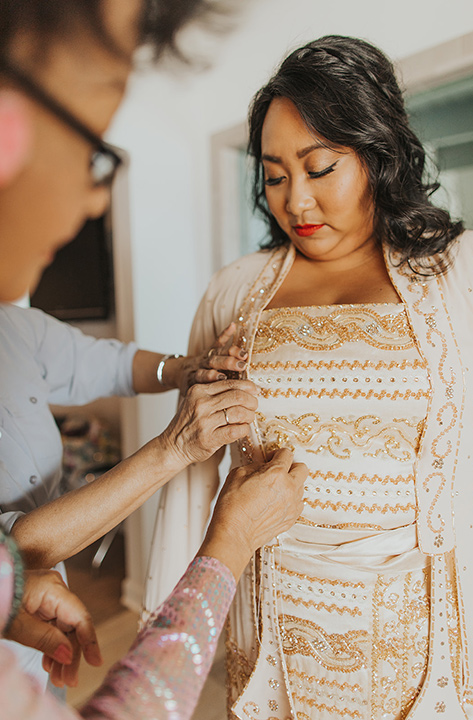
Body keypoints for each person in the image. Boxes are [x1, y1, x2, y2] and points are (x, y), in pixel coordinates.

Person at [145, 35, 473, 720]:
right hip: (275, 622)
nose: (296, 200)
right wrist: (165, 641)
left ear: (378, 155)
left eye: (321, 166)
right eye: (273, 175)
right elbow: (190, 469)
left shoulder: (461, 273)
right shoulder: (234, 292)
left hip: (432, 635)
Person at [0, 0, 308, 716]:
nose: (95, 203)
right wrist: (226, 543)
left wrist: (186, 369)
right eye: (93, 152)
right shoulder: (236, 285)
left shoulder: (16, 332)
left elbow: (106, 361)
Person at [0, 302, 246, 688]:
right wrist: (174, 447)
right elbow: (14, 551)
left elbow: (115, 365)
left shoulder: (12, 325)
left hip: (46, 623)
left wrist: (184, 369)